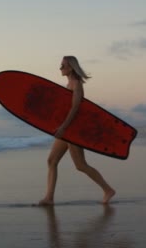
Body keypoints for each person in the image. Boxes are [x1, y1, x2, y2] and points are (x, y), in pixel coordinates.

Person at [38, 56, 116, 205]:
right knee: (51, 161)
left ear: (71, 67)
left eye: (63, 65)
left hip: (72, 130)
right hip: (66, 129)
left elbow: (75, 108)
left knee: (80, 165)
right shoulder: (68, 84)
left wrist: (63, 127)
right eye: (60, 65)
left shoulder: (76, 84)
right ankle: (49, 198)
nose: (60, 68)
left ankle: (108, 190)